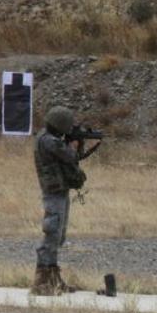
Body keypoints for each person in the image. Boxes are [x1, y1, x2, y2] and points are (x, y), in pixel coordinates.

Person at [30, 106, 98, 296]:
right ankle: (42, 280)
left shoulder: (47, 138)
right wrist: (75, 144)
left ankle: (52, 277)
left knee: (58, 234)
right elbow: (70, 156)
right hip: (53, 192)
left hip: (59, 190)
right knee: (52, 232)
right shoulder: (49, 141)